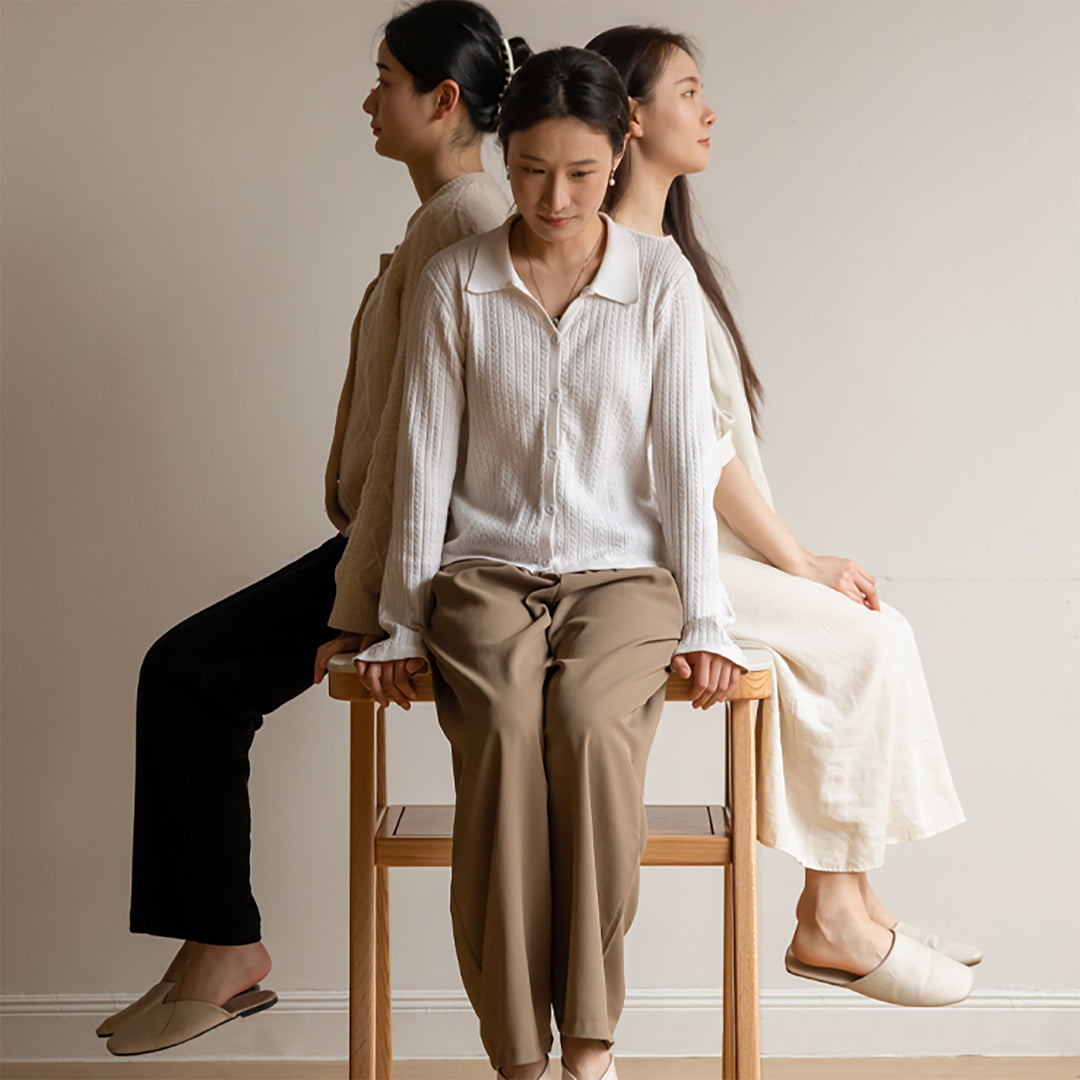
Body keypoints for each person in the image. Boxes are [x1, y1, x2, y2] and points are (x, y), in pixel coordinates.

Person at [101, 0, 528, 1056]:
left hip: (414, 553)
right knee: (194, 673)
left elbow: (453, 439)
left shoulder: (462, 222)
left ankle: (223, 950)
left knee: (192, 672)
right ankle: (216, 946)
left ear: (442, 100)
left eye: (384, 77)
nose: (367, 97)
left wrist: (377, 608)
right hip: (385, 542)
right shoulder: (445, 219)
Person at [355, 44, 746, 1080]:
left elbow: (681, 461)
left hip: (625, 579)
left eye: (580, 171)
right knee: (506, 734)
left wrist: (706, 620)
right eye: (530, 169)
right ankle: (520, 1057)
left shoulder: (658, 279)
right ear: (506, 154)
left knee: (584, 727)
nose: (555, 195)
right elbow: (422, 466)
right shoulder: (453, 282)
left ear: (619, 154)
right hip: (484, 575)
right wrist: (401, 621)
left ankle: (590, 1044)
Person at [587, 25, 978, 1007]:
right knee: (869, 640)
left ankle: (849, 901)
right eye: (686, 90)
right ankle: (833, 913)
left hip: (698, 549)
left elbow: (713, 444)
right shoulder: (623, 261)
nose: (708, 109)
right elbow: (694, 451)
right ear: (631, 118)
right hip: (655, 564)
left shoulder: (665, 254)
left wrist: (797, 558)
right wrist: (798, 562)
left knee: (867, 629)